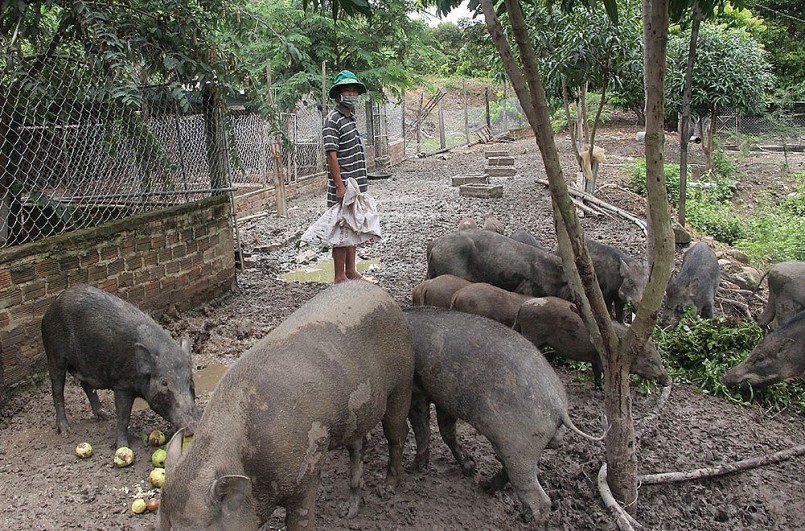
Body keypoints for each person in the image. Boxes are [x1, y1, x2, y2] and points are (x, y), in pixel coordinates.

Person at [323, 70, 370, 283]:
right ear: (338, 94)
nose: (351, 94)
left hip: (355, 184)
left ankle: (351, 270)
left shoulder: (350, 117)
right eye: (347, 90)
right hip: (343, 185)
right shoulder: (333, 119)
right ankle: (339, 275)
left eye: (354, 90)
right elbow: (331, 155)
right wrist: (339, 186)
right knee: (341, 229)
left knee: (353, 226)